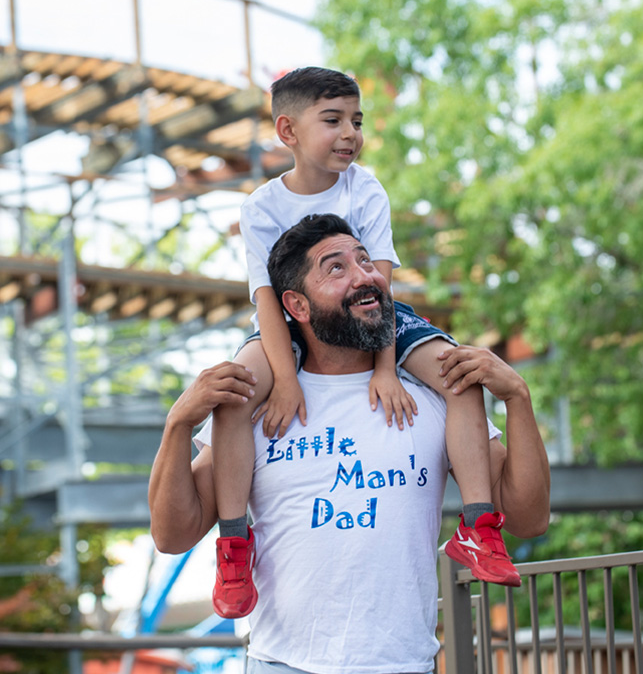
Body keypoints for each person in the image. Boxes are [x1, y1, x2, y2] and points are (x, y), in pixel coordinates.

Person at [148, 214, 551, 674]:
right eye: (336, 268)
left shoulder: (436, 398)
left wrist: (518, 398)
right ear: (296, 305)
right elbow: (172, 534)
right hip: (281, 664)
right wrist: (178, 425)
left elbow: (530, 518)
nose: (366, 276)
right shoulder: (258, 409)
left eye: (365, 260)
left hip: (401, 665)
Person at [208, 67, 517, 620]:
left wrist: (384, 370)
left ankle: (479, 526)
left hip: (378, 320)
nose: (350, 132)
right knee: (234, 393)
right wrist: (282, 382)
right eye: (333, 120)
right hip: (289, 322)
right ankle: (234, 544)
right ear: (288, 131)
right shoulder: (261, 207)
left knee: (459, 372)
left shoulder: (366, 187)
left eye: (356, 120)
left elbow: (379, 287)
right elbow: (266, 302)